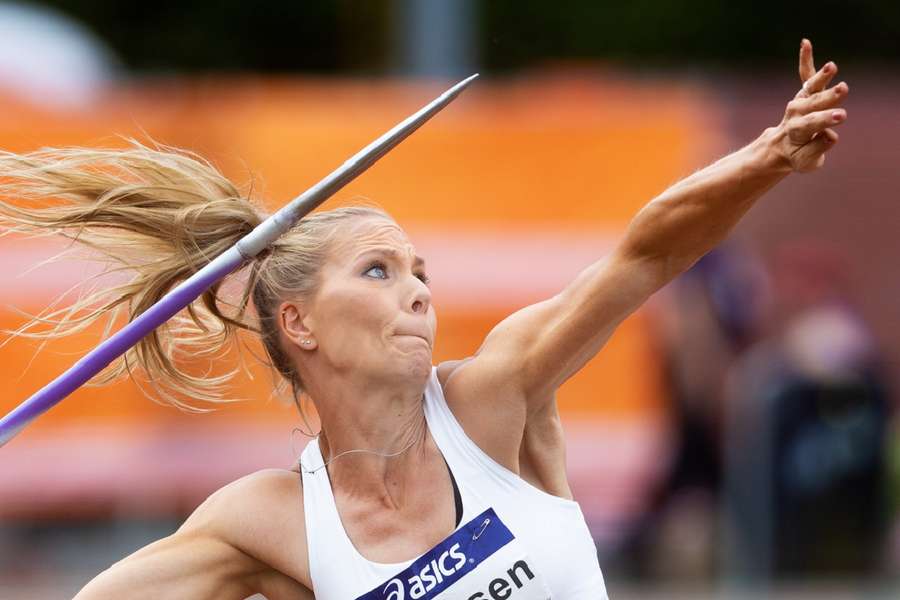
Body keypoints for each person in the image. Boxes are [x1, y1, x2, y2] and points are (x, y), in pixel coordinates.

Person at [0, 40, 846, 599]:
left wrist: (768, 156)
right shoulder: (266, 522)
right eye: (379, 270)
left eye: (421, 272)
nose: (419, 292)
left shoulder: (494, 401)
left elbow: (647, 256)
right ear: (299, 325)